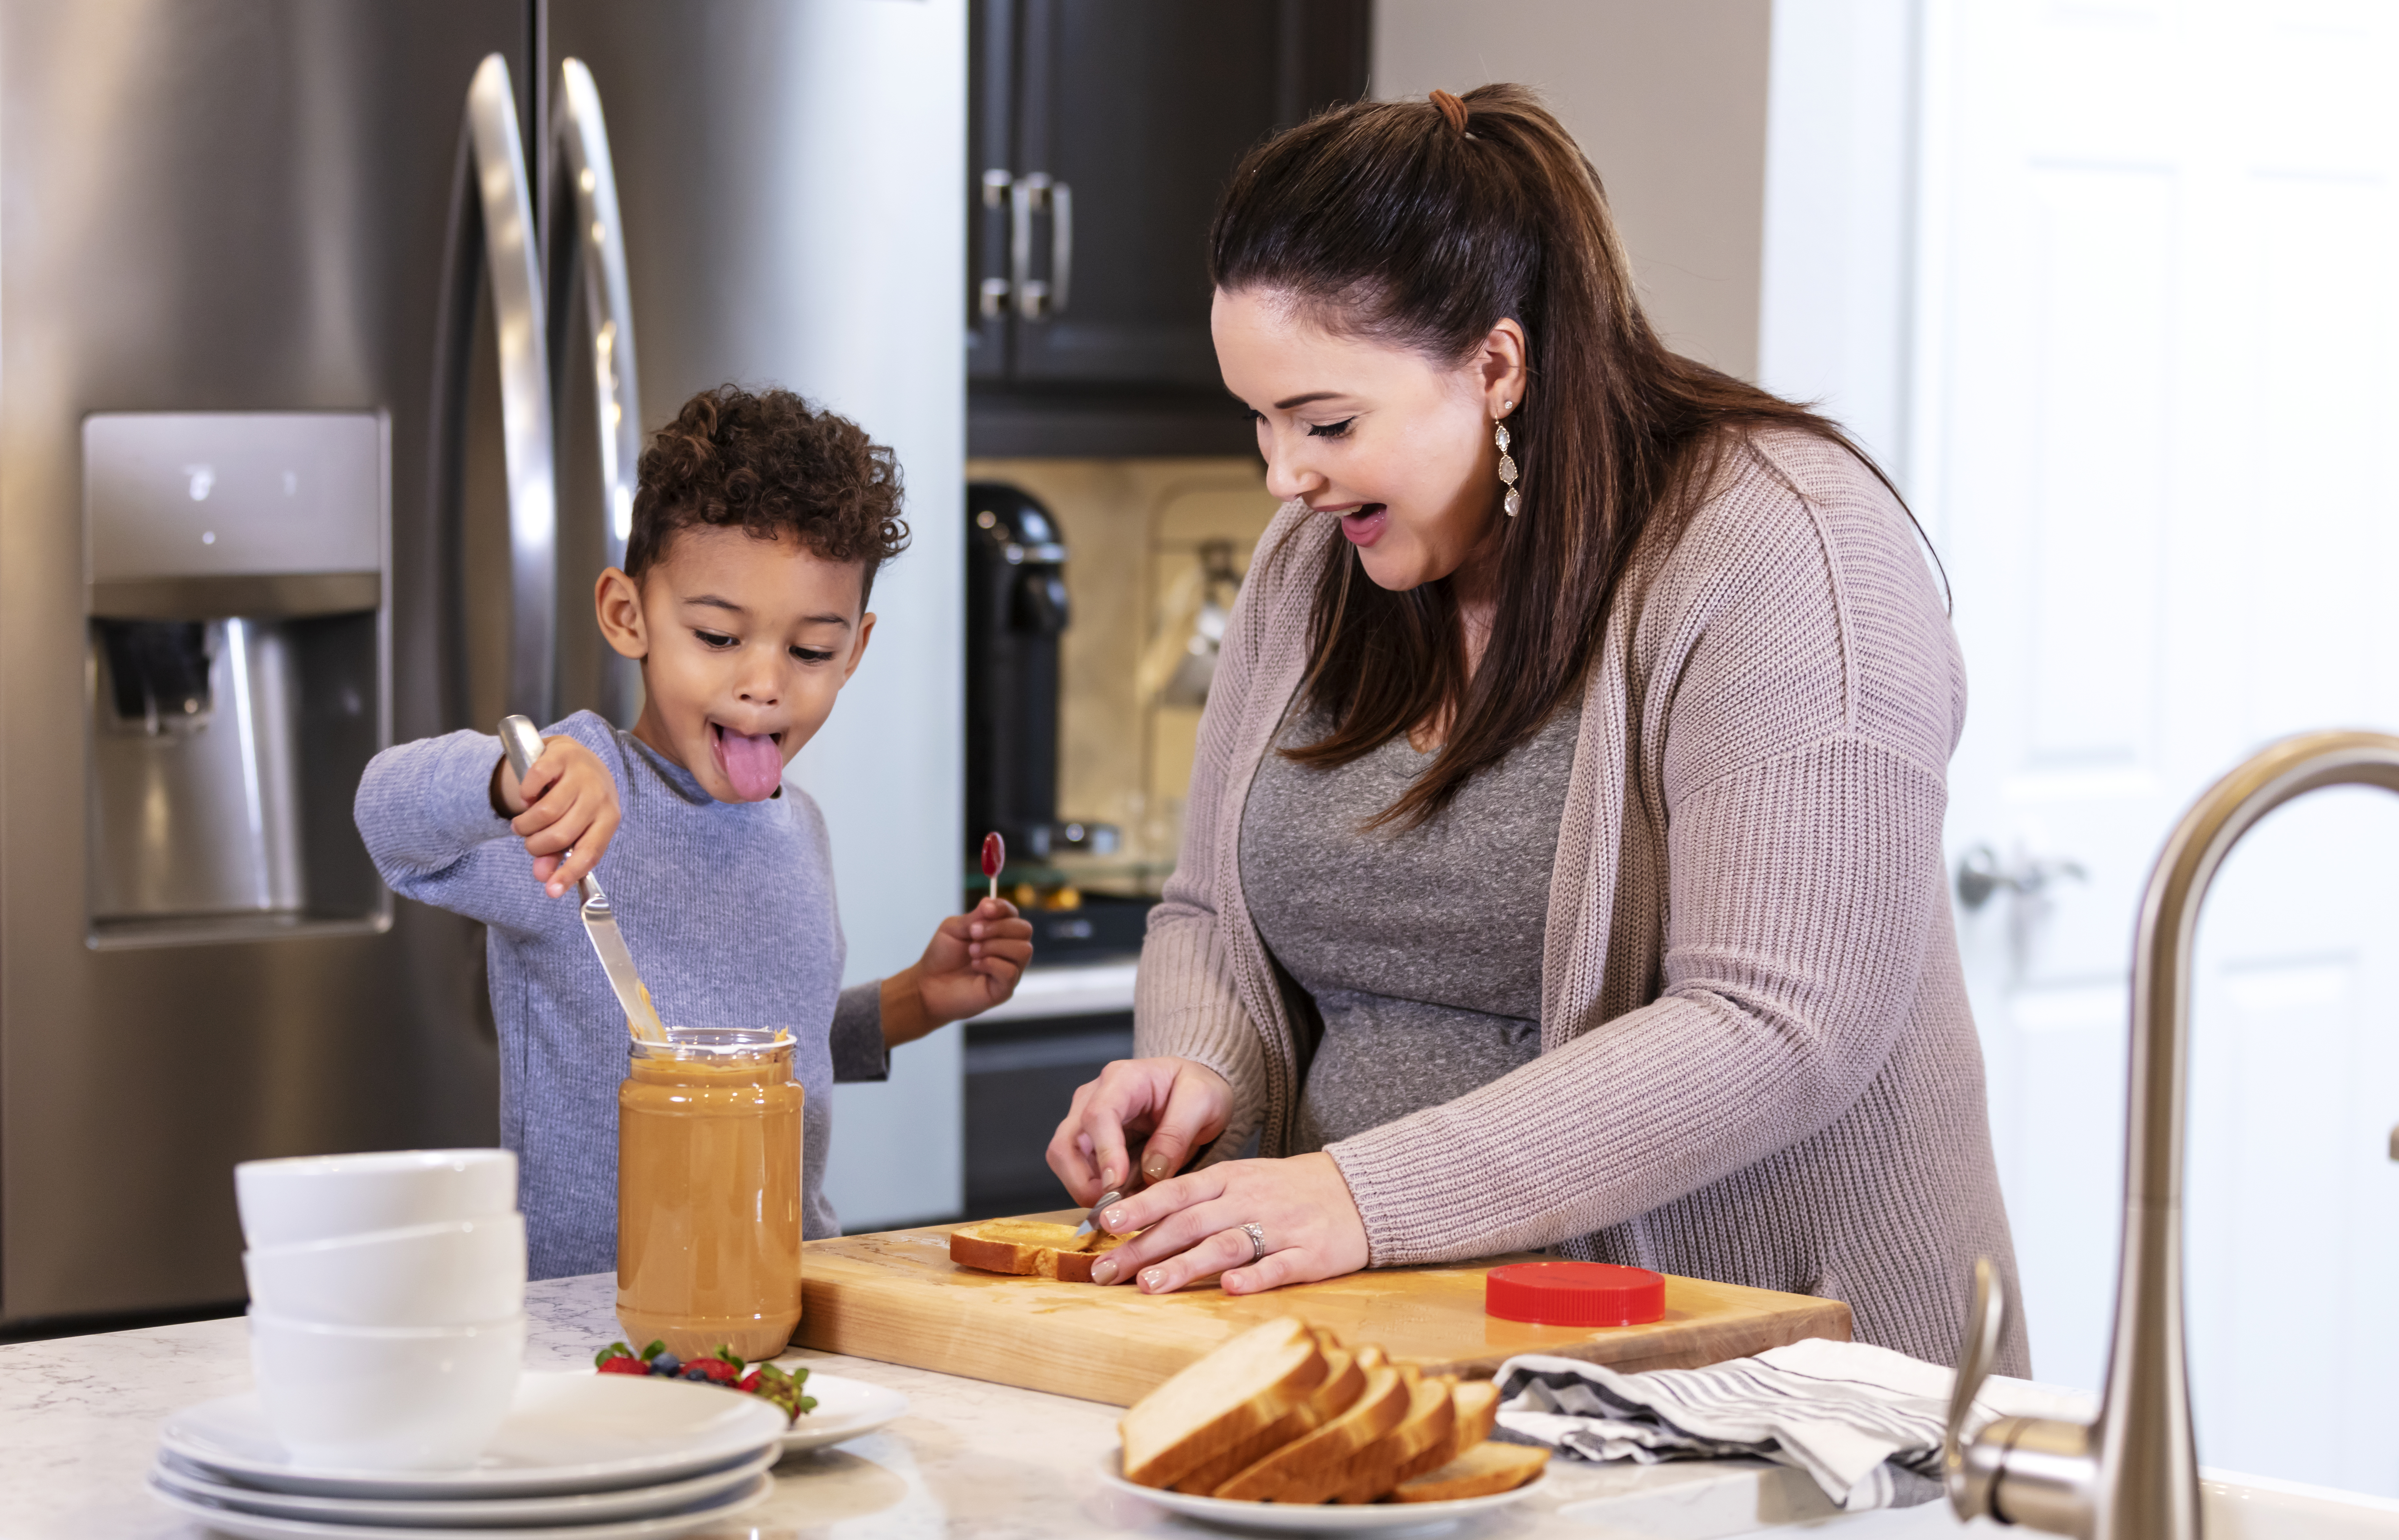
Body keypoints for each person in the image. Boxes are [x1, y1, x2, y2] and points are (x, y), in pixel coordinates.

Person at [1046, 85, 2026, 1373]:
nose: (1283, 477)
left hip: (1770, 1387)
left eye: (1326, 423)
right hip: (1397, 1350)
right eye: (1262, 422)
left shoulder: (1785, 550)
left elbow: (1779, 1026)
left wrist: (1360, 1196)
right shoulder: (1314, 565)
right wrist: (1195, 1070)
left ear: (1496, 365)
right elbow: (1207, 918)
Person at [357, 384, 1032, 1279]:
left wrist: (913, 1001)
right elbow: (384, 813)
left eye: (810, 652)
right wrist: (510, 777)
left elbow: (760, 1039)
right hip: (596, 1319)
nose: (765, 683)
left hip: (783, 1288)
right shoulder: (570, 800)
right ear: (628, 616)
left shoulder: (801, 830)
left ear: (857, 649)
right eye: (718, 637)